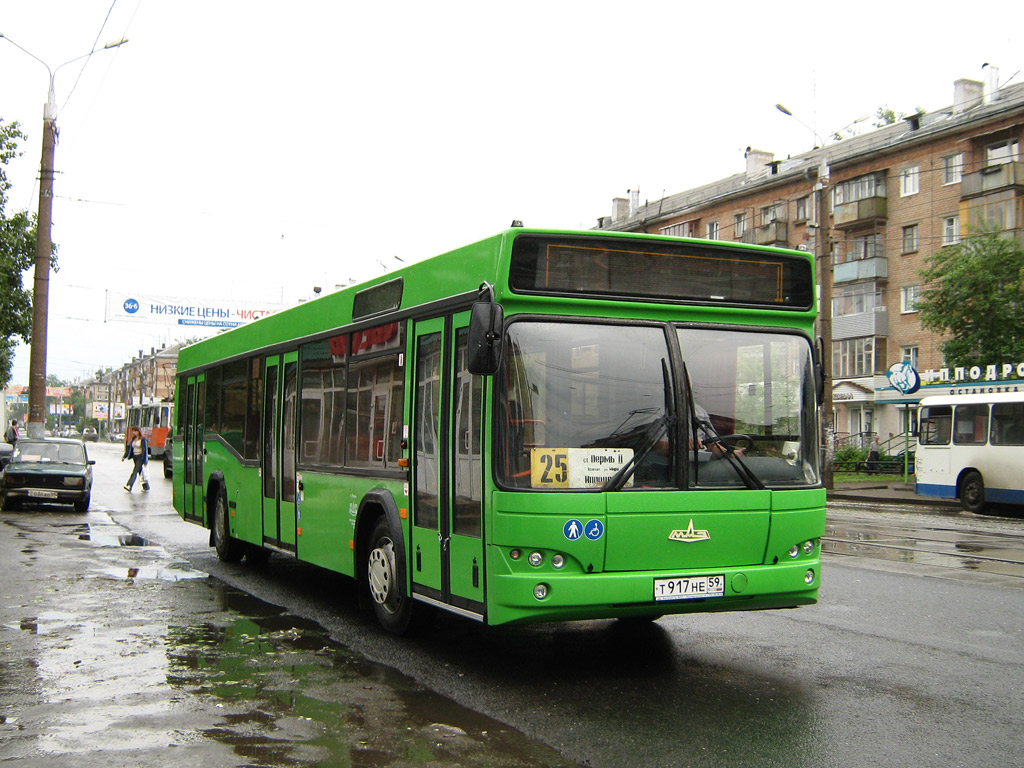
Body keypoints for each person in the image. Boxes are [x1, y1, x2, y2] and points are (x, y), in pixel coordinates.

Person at [122, 427, 150, 492]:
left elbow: (145, 451)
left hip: (140, 458)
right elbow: (129, 449)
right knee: (140, 472)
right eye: (133, 431)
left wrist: (145, 461)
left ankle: (129, 485)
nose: (133, 432)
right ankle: (146, 487)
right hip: (135, 457)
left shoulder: (143, 440)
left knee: (134, 472)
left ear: (138, 431)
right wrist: (124, 457)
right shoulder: (133, 439)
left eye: (135, 431)